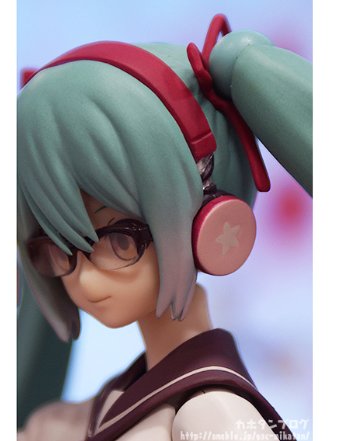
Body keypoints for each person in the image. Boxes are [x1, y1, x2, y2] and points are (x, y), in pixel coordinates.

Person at [17, 14, 312, 441]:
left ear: (209, 225)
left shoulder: (215, 417)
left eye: (118, 241)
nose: (83, 280)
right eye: (60, 247)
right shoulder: (95, 412)